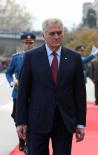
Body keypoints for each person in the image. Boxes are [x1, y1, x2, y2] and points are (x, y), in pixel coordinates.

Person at [15, 18, 87, 155]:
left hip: (64, 121)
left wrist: (80, 123)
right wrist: (20, 121)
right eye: (52, 33)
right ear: (44, 35)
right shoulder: (31, 57)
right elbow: (23, 92)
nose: (56, 37)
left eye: (59, 33)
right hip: (37, 121)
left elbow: (80, 93)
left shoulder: (74, 58)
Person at [5, 32, 36, 152]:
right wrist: (12, 82)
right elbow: (8, 73)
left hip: (33, 94)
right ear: (23, 44)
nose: (28, 45)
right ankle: (22, 139)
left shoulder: (38, 57)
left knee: (31, 118)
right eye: (26, 43)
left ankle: (29, 142)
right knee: (17, 117)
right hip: (18, 94)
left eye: (30, 43)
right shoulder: (16, 57)